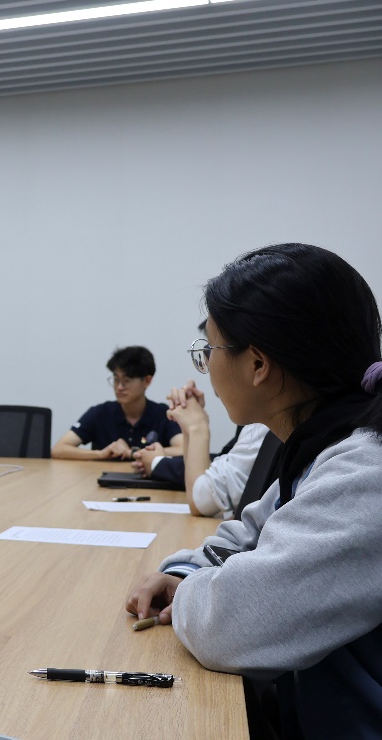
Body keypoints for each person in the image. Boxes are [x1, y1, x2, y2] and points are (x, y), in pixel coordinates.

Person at [125, 243, 382, 737]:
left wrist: (190, 594)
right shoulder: (321, 448)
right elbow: (246, 534)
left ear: (258, 364)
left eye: (209, 351)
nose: (206, 368)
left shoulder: (365, 471)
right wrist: (182, 572)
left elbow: (232, 625)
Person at [133, 378, 274, 518]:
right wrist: (189, 423)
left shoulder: (262, 425)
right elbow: (222, 463)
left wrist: (197, 425)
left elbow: (201, 501)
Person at [51, 345, 183, 460]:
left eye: (126, 380)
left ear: (147, 381)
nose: (119, 387)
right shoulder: (100, 412)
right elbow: (58, 449)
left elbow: (183, 450)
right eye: (116, 380)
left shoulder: (163, 414)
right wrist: (100, 454)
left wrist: (133, 453)